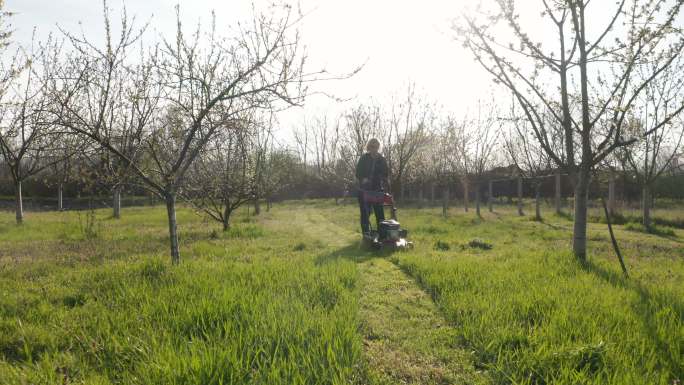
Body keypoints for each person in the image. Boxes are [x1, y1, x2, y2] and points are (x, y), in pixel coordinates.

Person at [355, 138, 389, 234]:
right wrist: (363, 179)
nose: (374, 148)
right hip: (364, 191)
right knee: (365, 214)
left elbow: (386, 174)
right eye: (372, 146)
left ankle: (382, 234)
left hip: (377, 190)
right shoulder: (364, 158)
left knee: (380, 214)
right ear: (369, 147)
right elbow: (358, 173)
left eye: (376, 147)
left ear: (379, 147)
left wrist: (382, 179)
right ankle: (366, 235)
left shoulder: (382, 159)